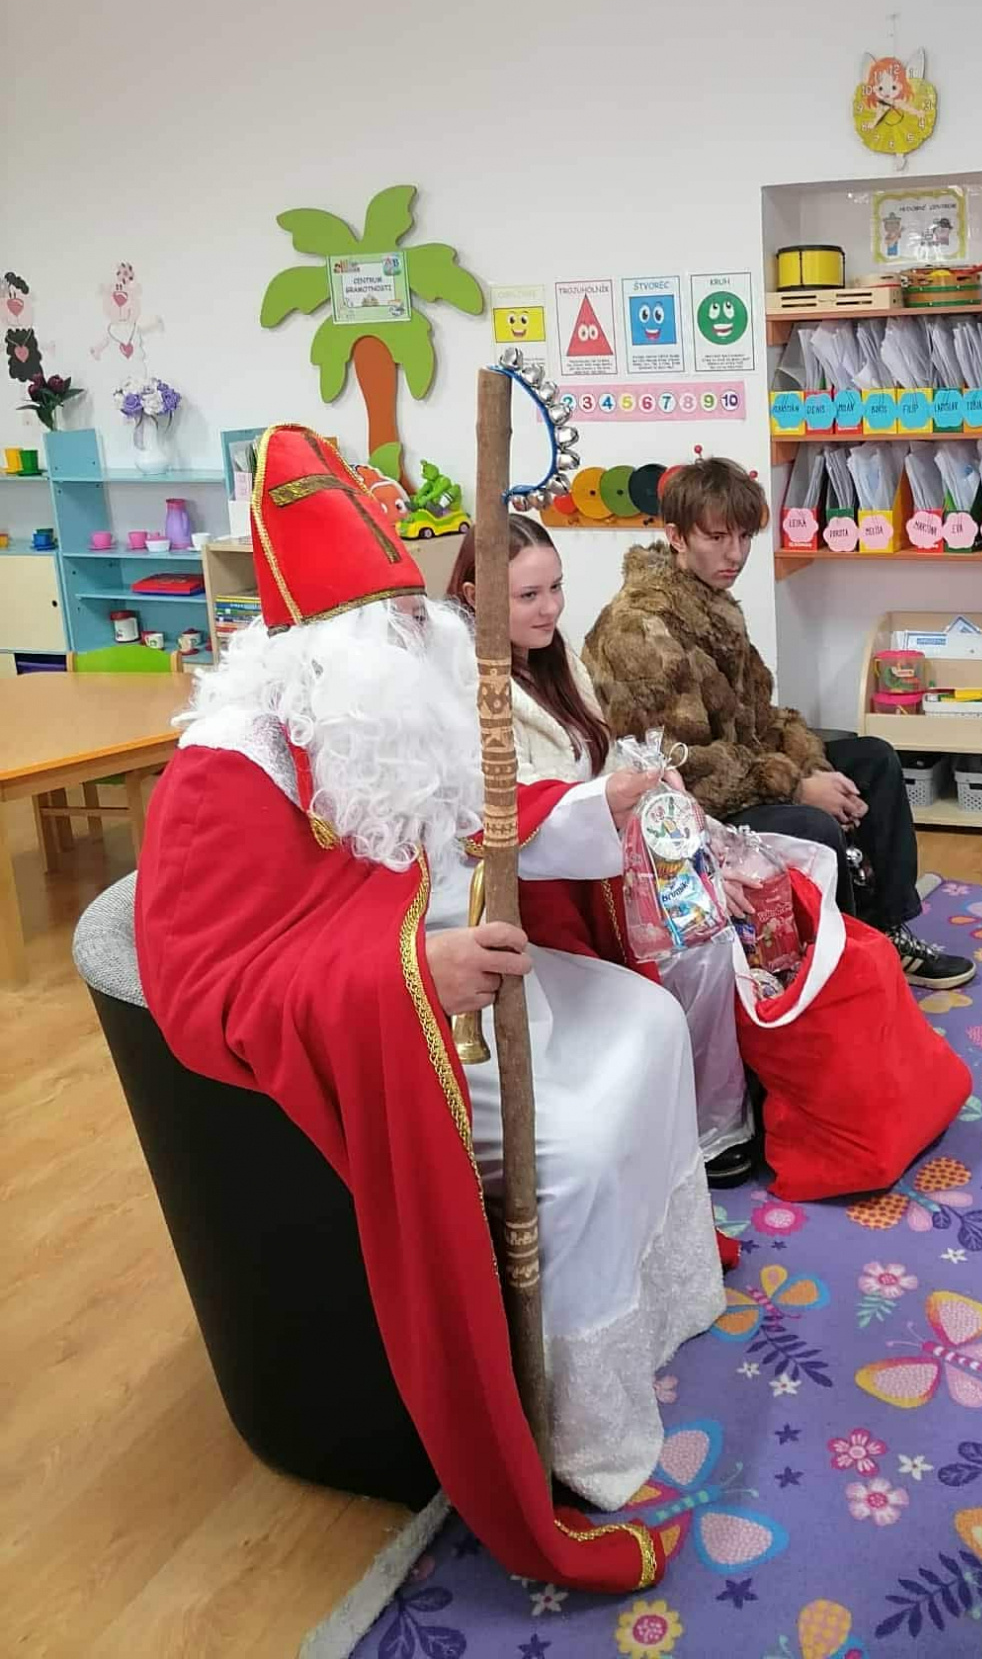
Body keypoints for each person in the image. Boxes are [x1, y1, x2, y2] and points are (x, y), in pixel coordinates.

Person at [135, 425, 727, 1595]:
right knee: (575, 1150)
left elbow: (478, 822)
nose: (427, 632)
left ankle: (653, 1309)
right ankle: (574, 1424)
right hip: (407, 1031)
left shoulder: (389, 715)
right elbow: (202, 985)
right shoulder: (231, 765)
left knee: (648, 1023)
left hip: (481, 975)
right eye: (402, 620)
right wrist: (411, 971)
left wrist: (601, 803)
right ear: (336, 648)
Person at [583, 456, 975, 990]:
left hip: (740, 771)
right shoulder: (639, 629)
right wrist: (795, 786)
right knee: (813, 824)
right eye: (717, 537)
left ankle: (884, 931)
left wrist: (808, 764)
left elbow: (759, 718)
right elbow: (679, 768)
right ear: (676, 537)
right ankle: (837, 968)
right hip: (682, 805)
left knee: (874, 759)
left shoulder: (711, 603)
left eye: (745, 536)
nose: (736, 554)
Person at [447, 517, 758, 1185]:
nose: (551, 608)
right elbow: (509, 809)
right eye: (529, 596)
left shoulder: (554, 661)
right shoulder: (468, 688)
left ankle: (727, 1103)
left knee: (761, 891)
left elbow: (608, 754)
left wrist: (654, 790)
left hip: (608, 854)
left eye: (556, 588)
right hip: (551, 889)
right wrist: (625, 806)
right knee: (702, 944)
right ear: (474, 596)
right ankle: (703, 1126)